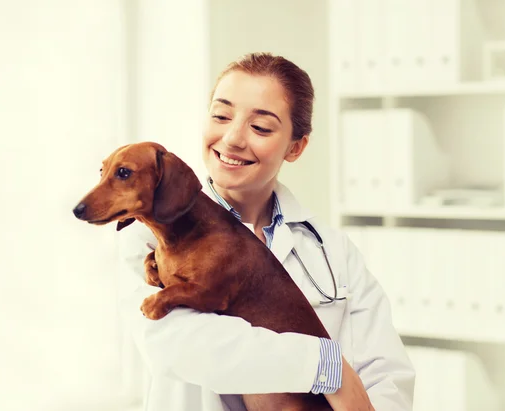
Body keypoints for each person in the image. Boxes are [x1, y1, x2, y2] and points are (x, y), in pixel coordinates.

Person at [119, 52, 415, 411]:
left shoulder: (333, 251)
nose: (231, 139)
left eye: (260, 127)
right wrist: (326, 365)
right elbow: (178, 344)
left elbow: (387, 374)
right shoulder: (147, 236)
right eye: (221, 115)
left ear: (295, 147)